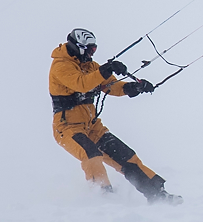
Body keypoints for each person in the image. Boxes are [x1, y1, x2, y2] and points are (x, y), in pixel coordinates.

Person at [49, 28, 181, 204]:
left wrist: (134, 88)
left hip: (93, 127)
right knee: (91, 154)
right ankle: (103, 198)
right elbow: (82, 84)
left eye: (93, 50)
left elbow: (110, 86)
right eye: (89, 50)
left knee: (126, 157)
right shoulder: (61, 66)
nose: (91, 54)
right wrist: (107, 69)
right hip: (67, 129)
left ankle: (157, 194)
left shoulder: (90, 66)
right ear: (78, 47)